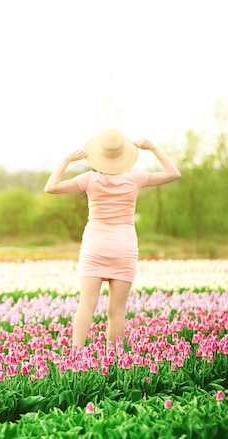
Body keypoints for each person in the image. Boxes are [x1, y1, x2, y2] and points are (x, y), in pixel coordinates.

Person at [44, 128, 181, 348]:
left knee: (86, 305)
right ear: (123, 154)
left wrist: (67, 160)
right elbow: (174, 173)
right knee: (117, 311)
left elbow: (50, 187)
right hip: (123, 246)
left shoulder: (88, 179)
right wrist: (153, 148)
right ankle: (114, 361)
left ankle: (75, 357)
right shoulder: (136, 178)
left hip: (95, 245)